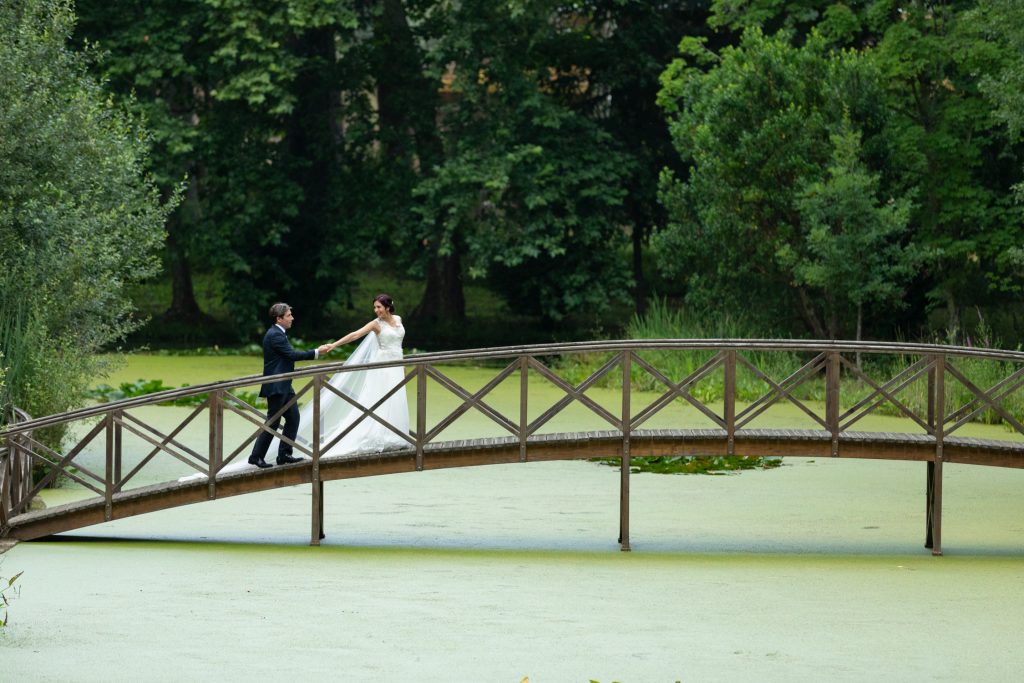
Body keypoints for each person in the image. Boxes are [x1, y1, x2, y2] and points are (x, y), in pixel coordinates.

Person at [290, 294, 410, 457]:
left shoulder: (398, 319)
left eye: (379, 307)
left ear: (388, 307)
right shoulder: (376, 324)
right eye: (374, 307)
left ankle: (394, 436)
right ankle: (377, 437)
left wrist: (402, 366)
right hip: (382, 366)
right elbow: (355, 335)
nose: (376, 310)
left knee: (395, 399)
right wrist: (334, 345)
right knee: (380, 399)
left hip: (397, 365)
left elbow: (398, 345)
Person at [248, 303, 331, 468]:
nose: (292, 318)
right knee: (273, 421)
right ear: (279, 319)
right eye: (288, 316)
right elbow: (292, 355)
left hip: (284, 385)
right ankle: (256, 456)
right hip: (276, 385)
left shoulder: (278, 333)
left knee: (293, 418)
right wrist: (317, 352)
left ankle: (284, 454)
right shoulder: (275, 335)